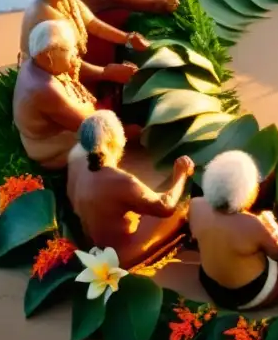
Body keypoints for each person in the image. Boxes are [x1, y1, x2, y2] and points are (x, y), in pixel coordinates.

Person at [189, 150, 278, 310]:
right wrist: (274, 227)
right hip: (244, 295)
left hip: (209, 282)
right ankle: (268, 300)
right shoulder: (252, 223)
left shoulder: (196, 205)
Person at [67, 112, 190, 269]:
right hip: (116, 257)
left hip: (89, 242)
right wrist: (181, 174)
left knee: (136, 204)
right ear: (114, 143)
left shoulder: (74, 158)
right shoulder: (121, 181)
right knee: (180, 206)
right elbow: (165, 206)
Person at [19, 0, 149, 88]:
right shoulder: (47, 17)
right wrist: (107, 73)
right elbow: (67, 62)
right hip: (48, 81)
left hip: (68, 60)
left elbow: (95, 25)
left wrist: (128, 39)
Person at [13, 20, 97, 170]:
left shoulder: (33, 64)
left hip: (40, 131)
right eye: (69, 50)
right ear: (47, 56)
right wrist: (88, 103)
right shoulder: (45, 89)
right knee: (100, 138)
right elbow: (85, 122)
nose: (75, 54)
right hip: (45, 146)